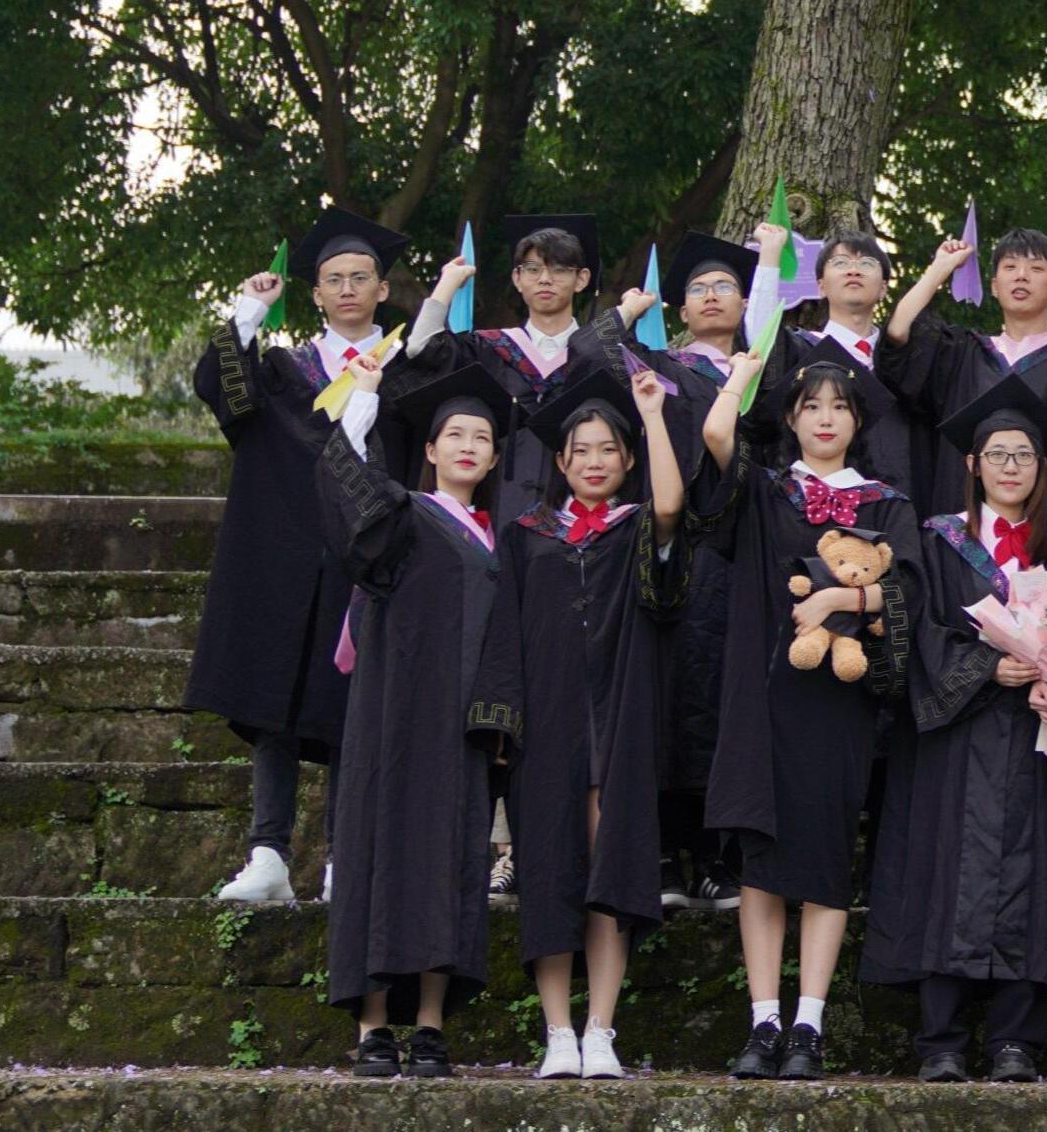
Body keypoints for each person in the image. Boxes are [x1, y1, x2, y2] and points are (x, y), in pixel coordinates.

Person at [696, 350, 919, 1080]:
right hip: (763, 699)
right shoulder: (767, 492)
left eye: (840, 407)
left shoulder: (885, 503)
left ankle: (808, 1025)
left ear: (858, 422)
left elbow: (908, 594)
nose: (826, 419)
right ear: (791, 418)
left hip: (838, 705)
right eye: (811, 406)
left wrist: (836, 599)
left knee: (824, 857)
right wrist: (740, 374)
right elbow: (717, 435)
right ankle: (763, 1020)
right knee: (760, 863)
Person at [469, 366, 687, 1080]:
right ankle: (557, 1031)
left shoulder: (636, 530)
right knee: (550, 875)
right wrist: (502, 729)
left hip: (619, 725)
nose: (595, 461)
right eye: (581, 451)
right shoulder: (526, 534)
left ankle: (601, 1030)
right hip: (547, 729)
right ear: (560, 463)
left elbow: (671, 506)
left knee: (610, 876)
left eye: (608, 450)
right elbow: (503, 633)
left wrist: (651, 416)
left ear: (626, 460)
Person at [860, 373, 1047, 1082]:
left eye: (1024, 454)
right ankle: (942, 1040)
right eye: (998, 454)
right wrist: (987, 665)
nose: (1011, 466)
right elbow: (918, 631)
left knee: (1027, 872)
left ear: (1041, 467)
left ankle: (1016, 1038)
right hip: (955, 736)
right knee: (945, 870)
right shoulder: (937, 541)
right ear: (973, 464)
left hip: (1035, 734)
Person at [192, 209, 409, 905]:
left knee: (356, 706)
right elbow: (225, 397)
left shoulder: (408, 368)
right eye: (333, 279)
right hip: (284, 562)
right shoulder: (286, 369)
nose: (347, 288)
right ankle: (268, 855)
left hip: (366, 560)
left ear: (382, 289)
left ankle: (346, 859)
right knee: (275, 703)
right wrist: (249, 314)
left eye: (359, 277)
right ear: (314, 293)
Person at [310, 356, 515, 1080]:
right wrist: (363, 398)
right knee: (377, 850)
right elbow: (351, 494)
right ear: (429, 449)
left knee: (448, 863)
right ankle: (373, 1026)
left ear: (495, 458)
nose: (467, 446)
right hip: (393, 719)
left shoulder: (501, 539)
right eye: (453, 435)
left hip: (461, 730)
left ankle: (430, 1024)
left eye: (481, 438)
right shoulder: (404, 515)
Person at [601, 230, 771, 915]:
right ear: (680, 306)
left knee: (733, 697)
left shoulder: (767, 371)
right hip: (673, 549)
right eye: (698, 288)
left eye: (725, 286)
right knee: (671, 690)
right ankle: (669, 851)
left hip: (746, 552)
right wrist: (626, 310)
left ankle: (721, 856)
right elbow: (583, 356)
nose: (711, 296)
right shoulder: (656, 366)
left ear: (745, 302)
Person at [403, 215, 609, 533]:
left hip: (572, 522)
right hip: (496, 515)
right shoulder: (490, 348)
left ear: (581, 280)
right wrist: (446, 284)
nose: (545, 279)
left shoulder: (598, 358)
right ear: (517, 278)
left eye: (558, 269)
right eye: (533, 269)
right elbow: (421, 348)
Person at [885, 225, 1047, 512]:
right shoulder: (963, 352)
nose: (1021, 275)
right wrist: (939, 269)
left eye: (1036, 268)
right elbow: (897, 334)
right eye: (1010, 267)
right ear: (994, 286)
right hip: (963, 511)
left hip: (1044, 516)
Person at [752, 228, 928, 501]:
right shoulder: (803, 350)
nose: (853, 270)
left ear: (883, 288)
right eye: (840, 262)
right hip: (812, 507)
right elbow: (760, 340)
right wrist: (769, 254)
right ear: (821, 287)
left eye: (866, 263)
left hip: (899, 508)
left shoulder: (906, 362)